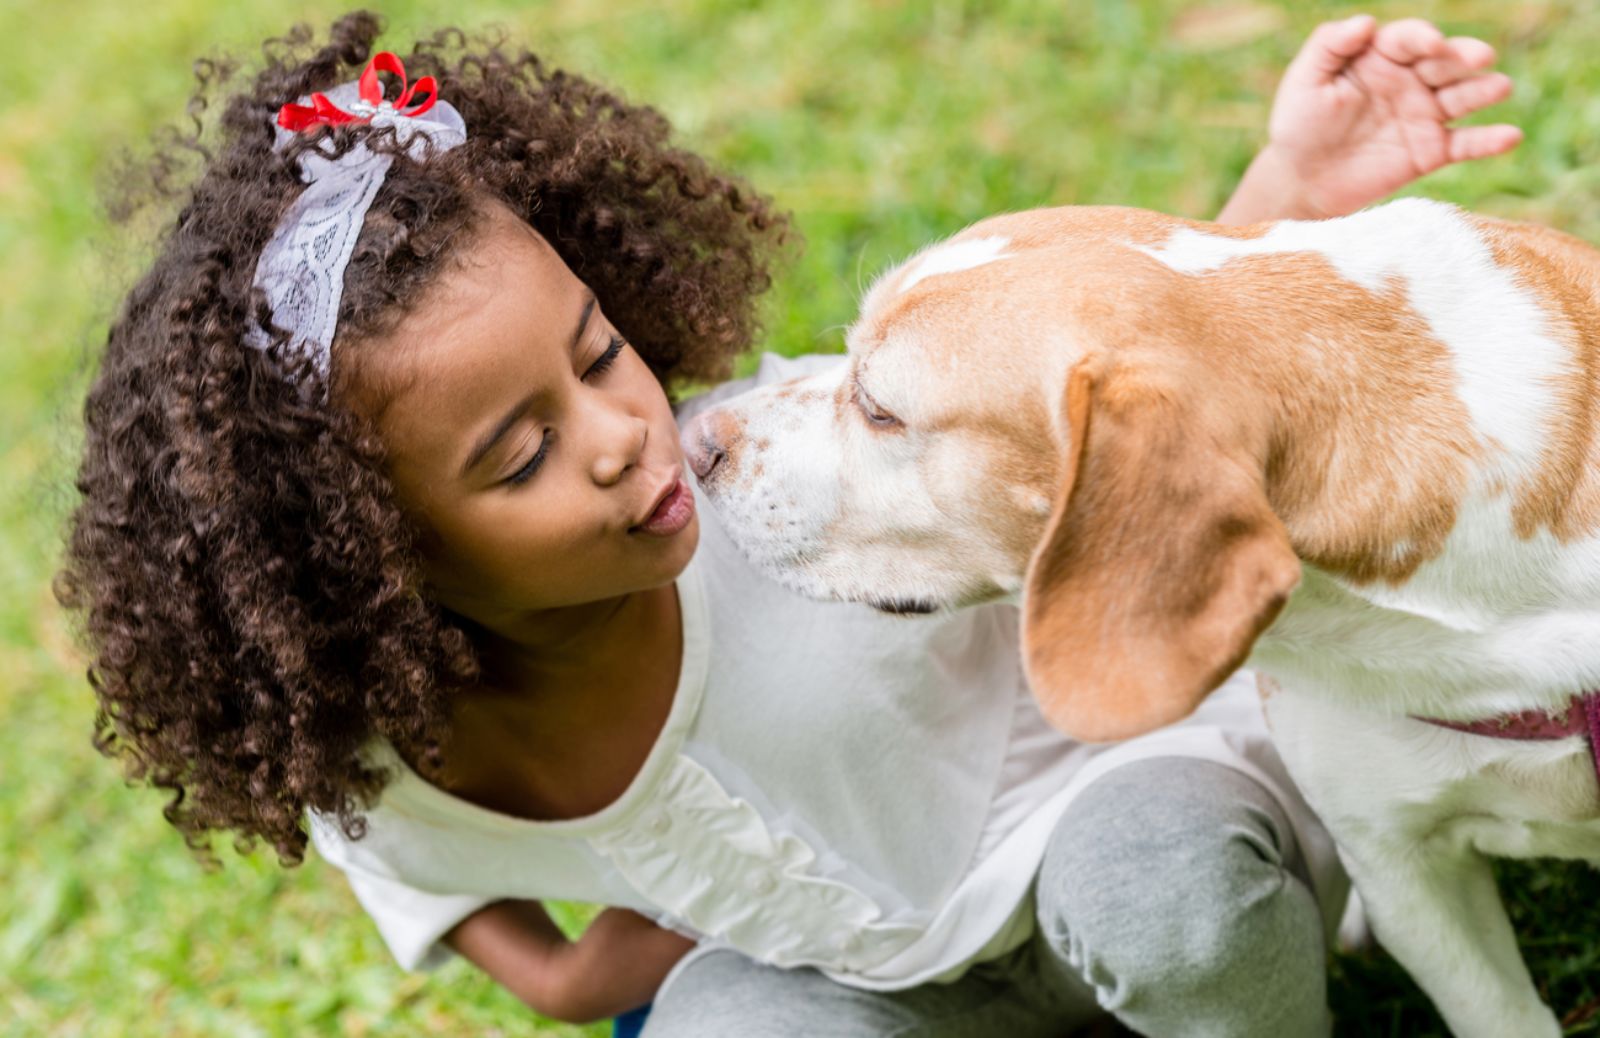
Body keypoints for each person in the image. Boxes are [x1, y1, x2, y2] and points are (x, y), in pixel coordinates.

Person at [57, 10, 1519, 1036]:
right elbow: (386, 842)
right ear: (373, 571)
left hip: (1115, 812)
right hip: (888, 985)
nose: (628, 436)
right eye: (521, 459)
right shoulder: (397, 751)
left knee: (1166, 892)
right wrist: (564, 981)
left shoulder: (766, 472)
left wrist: (1279, 199)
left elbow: (1081, 416)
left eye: (597, 350)